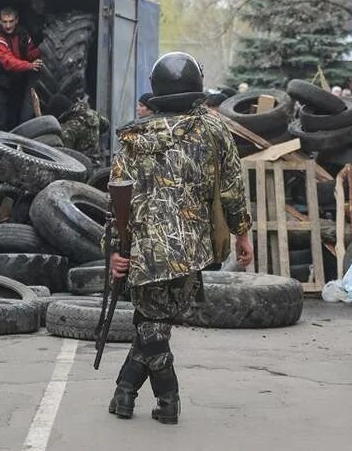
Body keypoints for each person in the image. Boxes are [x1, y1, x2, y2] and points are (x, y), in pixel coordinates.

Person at [107, 51, 253, 424]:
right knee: (154, 322)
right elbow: (233, 189)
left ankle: (138, 396)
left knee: (150, 320)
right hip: (190, 247)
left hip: (142, 249)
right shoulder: (214, 129)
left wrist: (113, 250)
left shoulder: (132, 136)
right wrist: (242, 234)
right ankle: (156, 398)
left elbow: (116, 199)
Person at [0, 6, 42, 131]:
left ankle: (13, 148)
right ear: (0, 22)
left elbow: (30, 53)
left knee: (14, 120)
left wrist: (43, 49)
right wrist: (30, 65)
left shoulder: (23, 34)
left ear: (16, 20)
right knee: (0, 122)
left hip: (15, 84)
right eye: (4, 22)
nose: (8, 25)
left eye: (11, 21)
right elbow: (8, 62)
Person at [48, 94, 109, 165]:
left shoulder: (69, 128)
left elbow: (63, 153)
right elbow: (106, 125)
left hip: (84, 167)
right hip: (99, 164)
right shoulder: (92, 113)